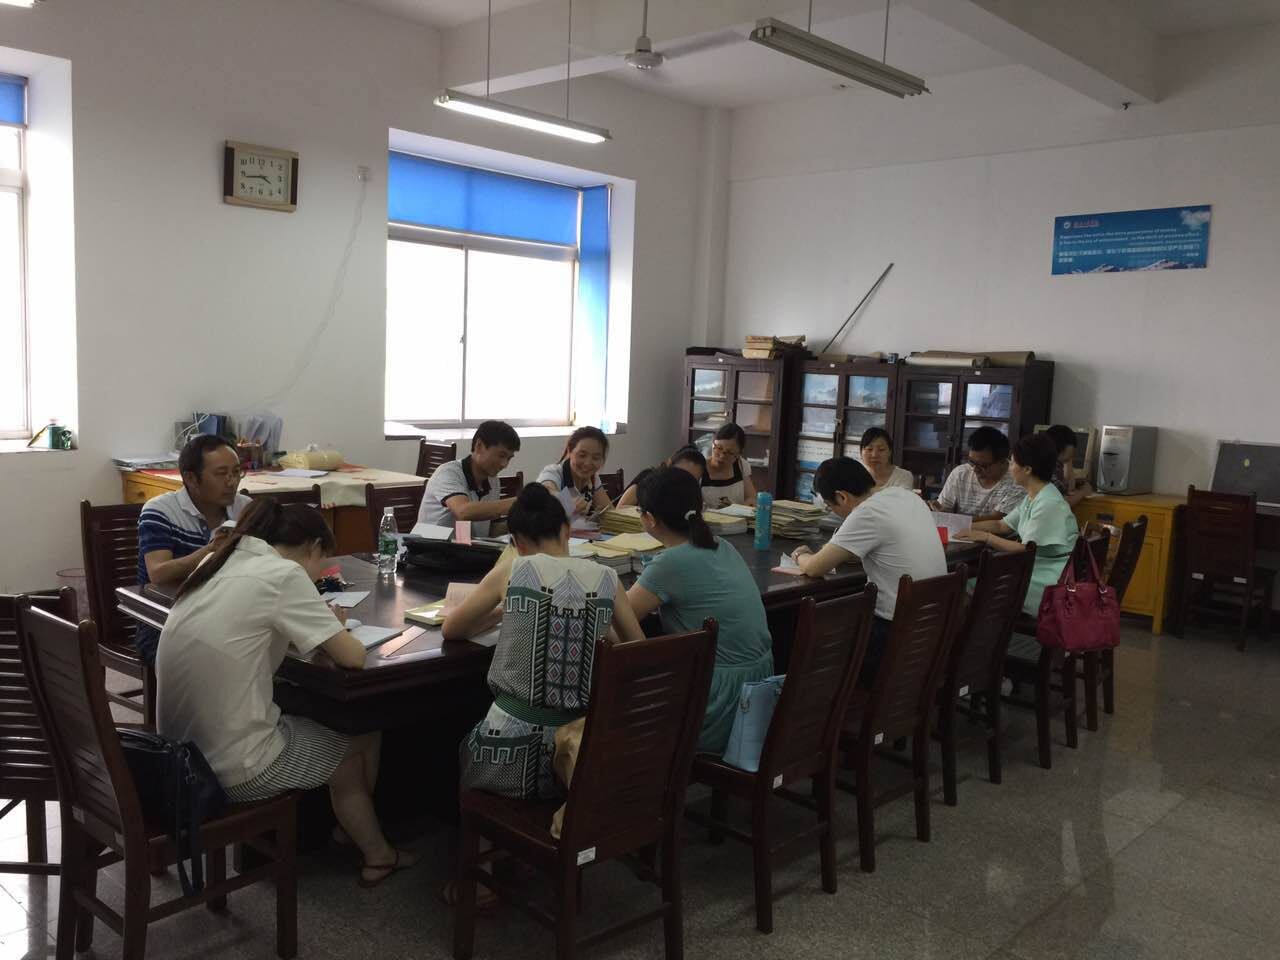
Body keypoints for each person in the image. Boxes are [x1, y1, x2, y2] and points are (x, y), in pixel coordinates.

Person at [156, 501, 416, 887]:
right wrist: (329, 627)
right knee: (362, 733)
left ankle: (351, 832)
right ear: (313, 547)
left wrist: (316, 624)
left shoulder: (217, 562)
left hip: (179, 759)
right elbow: (353, 656)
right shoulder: (283, 574)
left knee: (331, 730)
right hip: (233, 767)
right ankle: (375, 851)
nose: (320, 574)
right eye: (323, 562)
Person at [446, 484, 645, 799]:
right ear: (567, 530)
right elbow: (639, 651)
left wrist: (501, 611)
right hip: (580, 757)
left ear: (517, 543)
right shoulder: (607, 578)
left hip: (507, 758)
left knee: (457, 743)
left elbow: (452, 629)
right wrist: (598, 627)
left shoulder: (513, 569)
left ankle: (474, 826)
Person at [626, 467, 774, 753]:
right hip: (759, 692)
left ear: (650, 519)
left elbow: (621, 616)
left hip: (718, 700)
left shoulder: (670, 562)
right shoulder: (722, 545)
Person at [789, 457, 947, 683]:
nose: (834, 512)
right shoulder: (905, 495)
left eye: (830, 506)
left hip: (892, 633)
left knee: (815, 645)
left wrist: (800, 554)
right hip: (932, 627)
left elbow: (815, 568)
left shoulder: (866, 512)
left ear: (842, 497)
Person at [135, 435, 253, 664]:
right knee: (237, 659)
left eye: (237, 472)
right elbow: (158, 573)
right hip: (166, 624)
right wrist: (210, 551)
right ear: (190, 478)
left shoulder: (245, 508)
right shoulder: (160, 511)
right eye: (221, 474)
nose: (232, 482)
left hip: (228, 616)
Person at [955, 433, 1079, 617]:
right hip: (1038, 569)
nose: (1010, 468)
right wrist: (961, 526)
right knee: (976, 580)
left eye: (1013, 463)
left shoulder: (1048, 503)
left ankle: (983, 634)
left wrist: (985, 537)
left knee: (969, 585)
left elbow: (1025, 550)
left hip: (1048, 580)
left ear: (1027, 469)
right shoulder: (1035, 496)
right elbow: (1001, 525)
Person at [417, 420, 520, 536]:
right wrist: (519, 503)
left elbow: (489, 532)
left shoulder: (493, 481)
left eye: (509, 458)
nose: (504, 464)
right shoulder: (448, 473)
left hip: (462, 544)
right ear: (479, 446)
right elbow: (463, 512)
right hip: (429, 544)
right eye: (501, 455)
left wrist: (522, 521)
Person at [932, 426, 1024, 521]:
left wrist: (954, 519)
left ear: (1002, 462)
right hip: (959, 528)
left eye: (983, 465)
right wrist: (937, 510)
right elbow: (943, 508)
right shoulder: (960, 473)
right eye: (972, 462)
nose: (975, 469)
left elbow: (997, 521)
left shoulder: (1017, 480)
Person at [538, 426, 614, 519]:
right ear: (570, 451)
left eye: (596, 458)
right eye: (582, 455)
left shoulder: (593, 478)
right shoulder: (554, 472)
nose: (587, 463)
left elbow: (609, 512)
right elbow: (545, 491)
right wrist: (565, 501)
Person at [616, 446, 706, 508]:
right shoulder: (649, 479)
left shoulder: (692, 494)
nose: (684, 483)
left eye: (692, 480)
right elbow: (620, 510)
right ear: (669, 465)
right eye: (680, 474)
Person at [701, 422, 758, 510]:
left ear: (739, 454)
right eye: (719, 448)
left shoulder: (741, 465)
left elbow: (751, 497)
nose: (722, 456)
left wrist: (747, 505)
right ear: (713, 443)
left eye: (729, 452)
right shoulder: (700, 468)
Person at [1045, 424, 1094, 508]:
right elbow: (1061, 504)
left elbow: (1065, 488)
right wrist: (1083, 492)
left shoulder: (1046, 462)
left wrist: (1067, 459)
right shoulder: (1045, 467)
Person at [859, 427, 914, 491]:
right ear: (861, 452)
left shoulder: (903, 476)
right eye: (869, 449)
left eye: (881, 449)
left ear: (890, 452)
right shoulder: (856, 476)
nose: (874, 455)